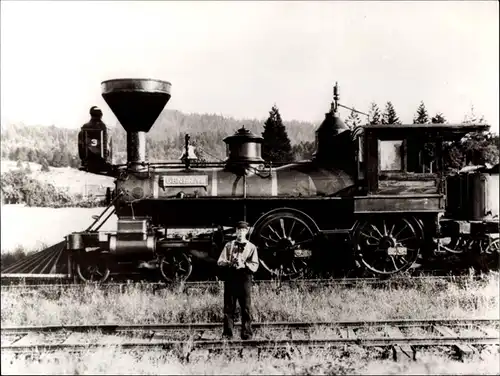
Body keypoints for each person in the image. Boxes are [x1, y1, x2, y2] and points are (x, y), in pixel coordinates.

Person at [217, 221, 259, 340]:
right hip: (231, 277)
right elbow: (220, 261)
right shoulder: (228, 245)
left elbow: (255, 265)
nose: (240, 233)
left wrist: (244, 265)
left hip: (244, 278)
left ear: (246, 231)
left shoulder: (251, 247)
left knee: (246, 307)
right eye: (238, 230)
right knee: (229, 307)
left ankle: (246, 334)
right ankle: (227, 335)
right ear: (236, 231)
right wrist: (230, 263)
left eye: (243, 230)